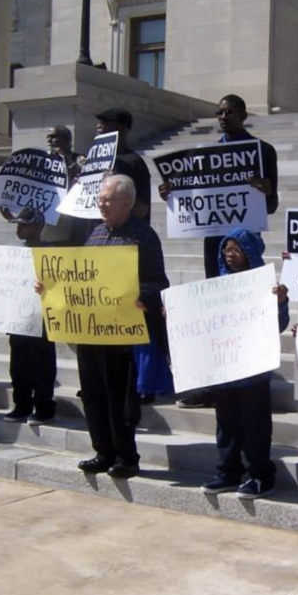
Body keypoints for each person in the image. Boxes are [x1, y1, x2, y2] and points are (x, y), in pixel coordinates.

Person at [160, 94, 279, 409]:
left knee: (243, 309)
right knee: (216, 311)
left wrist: (265, 188)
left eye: (229, 112)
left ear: (242, 114)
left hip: (245, 242)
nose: (223, 116)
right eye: (219, 112)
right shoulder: (204, 154)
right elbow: (191, 196)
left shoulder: (262, 151)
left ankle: (247, 375)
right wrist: (171, 193)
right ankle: (215, 383)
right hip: (215, 243)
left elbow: (272, 203)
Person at [70, 175, 169, 480]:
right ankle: (102, 452)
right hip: (90, 330)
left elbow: (158, 283)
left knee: (119, 399)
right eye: (100, 198)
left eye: (108, 199)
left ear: (126, 203)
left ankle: (127, 457)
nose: (102, 204)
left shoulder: (144, 236)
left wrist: (142, 296)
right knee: (93, 393)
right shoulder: (95, 234)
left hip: (123, 334)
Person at [199, 228, 289, 500]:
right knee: (226, 425)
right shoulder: (217, 287)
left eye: (236, 250)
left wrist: (281, 303)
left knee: (255, 427)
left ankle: (261, 476)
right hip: (225, 370)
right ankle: (228, 471)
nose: (229, 255)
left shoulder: (264, 286)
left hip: (253, 372)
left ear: (249, 253)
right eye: (226, 250)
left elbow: (279, 325)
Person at [95, 108, 173, 402]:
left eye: (106, 128)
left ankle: (143, 383)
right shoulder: (91, 162)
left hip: (129, 246)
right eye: (98, 128)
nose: (99, 133)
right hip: (101, 240)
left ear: (122, 130)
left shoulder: (132, 163)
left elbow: (140, 208)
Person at [1, 208, 57, 426]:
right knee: (18, 365)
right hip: (18, 317)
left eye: (23, 224)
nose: (19, 228)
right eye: (18, 224)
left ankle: (44, 406)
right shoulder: (13, 254)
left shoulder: (50, 251)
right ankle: (21, 404)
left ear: (38, 226)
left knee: (42, 364)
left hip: (42, 319)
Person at [95, 108, 151, 222]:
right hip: (97, 233)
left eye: (104, 123)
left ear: (120, 128)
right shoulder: (94, 161)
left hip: (123, 235)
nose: (98, 126)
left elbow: (141, 209)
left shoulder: (134, 162)